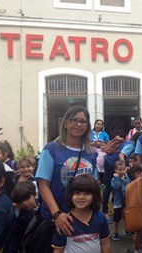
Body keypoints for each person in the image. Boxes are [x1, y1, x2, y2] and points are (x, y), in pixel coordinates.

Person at [35, 105, 97, 251]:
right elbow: (43, 184)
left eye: (83, 121)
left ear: (87, 126)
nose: (78, 124)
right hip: (54, 217)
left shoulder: (91, 153)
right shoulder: (51, 149)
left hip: (81, 218)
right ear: (65, 123)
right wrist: (57, 214)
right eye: (74, 120)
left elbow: (93, 186)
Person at [52, 174, 111, 253]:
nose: (81, 197)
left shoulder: (100, 217)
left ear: (94, 195)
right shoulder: (65, 222)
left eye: (87, 193)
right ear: (71, 195)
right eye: (77, 193)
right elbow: (58, 249)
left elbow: (105, 243)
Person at [102, 132, 142, 223]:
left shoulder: (128, 142)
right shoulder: (131, 145)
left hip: (109, 162)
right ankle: (105, 211)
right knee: (108, 187)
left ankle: (114, 205)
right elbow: (121, 155)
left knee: (114, 186)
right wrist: (123, 169)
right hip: (111, 164)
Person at [11, 180, 39, 252]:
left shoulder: (39, 206)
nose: (25, 203)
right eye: (20, 202)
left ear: (35, 194)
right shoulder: (26, 217)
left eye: (27, 198)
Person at [111, 160, 131, 241]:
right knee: (117, 218)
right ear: (116, 170)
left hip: (126, 200)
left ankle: (127, 229)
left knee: (127, 215)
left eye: (123, 169)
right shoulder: (114, 179)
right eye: (119, 169)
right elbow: (116, 187)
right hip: (118, 201)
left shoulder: (127, 177)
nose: (121, 171)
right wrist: (117, 178)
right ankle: (116, 232)